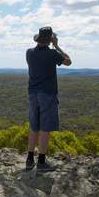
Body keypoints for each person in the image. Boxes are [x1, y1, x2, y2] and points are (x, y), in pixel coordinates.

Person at [25, 26, 72, 172]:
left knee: (34, 127)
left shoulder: (29, 53)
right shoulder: (52, 54)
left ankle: (29, 160)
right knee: (45, 129)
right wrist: (57, 45)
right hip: (48, 94)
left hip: (33, 94)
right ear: (50, 39)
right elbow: (68, 61)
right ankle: (42, 162)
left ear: (38, 39)